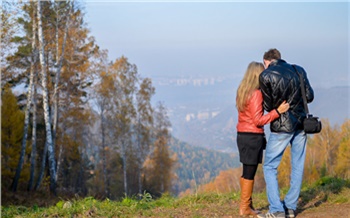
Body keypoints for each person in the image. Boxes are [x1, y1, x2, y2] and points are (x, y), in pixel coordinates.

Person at [257, 49, 314, 218]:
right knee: (297, 165)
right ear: (279, 58)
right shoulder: (299, 70)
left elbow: (268, 107)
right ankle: (290, 207)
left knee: (270, 166)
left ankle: (276, 210)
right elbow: (309, 96)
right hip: (301, 124)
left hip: (281, 127)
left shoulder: (266, 75)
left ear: (266, 61)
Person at [236, 61, 290, 216]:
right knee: (250, 172)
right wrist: (277, 112)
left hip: (242, 135)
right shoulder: (256, 93)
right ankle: (245, 208)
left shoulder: (242, 91)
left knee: (246, 170)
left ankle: (247, 205)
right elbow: (258, 120)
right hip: (252, 137)